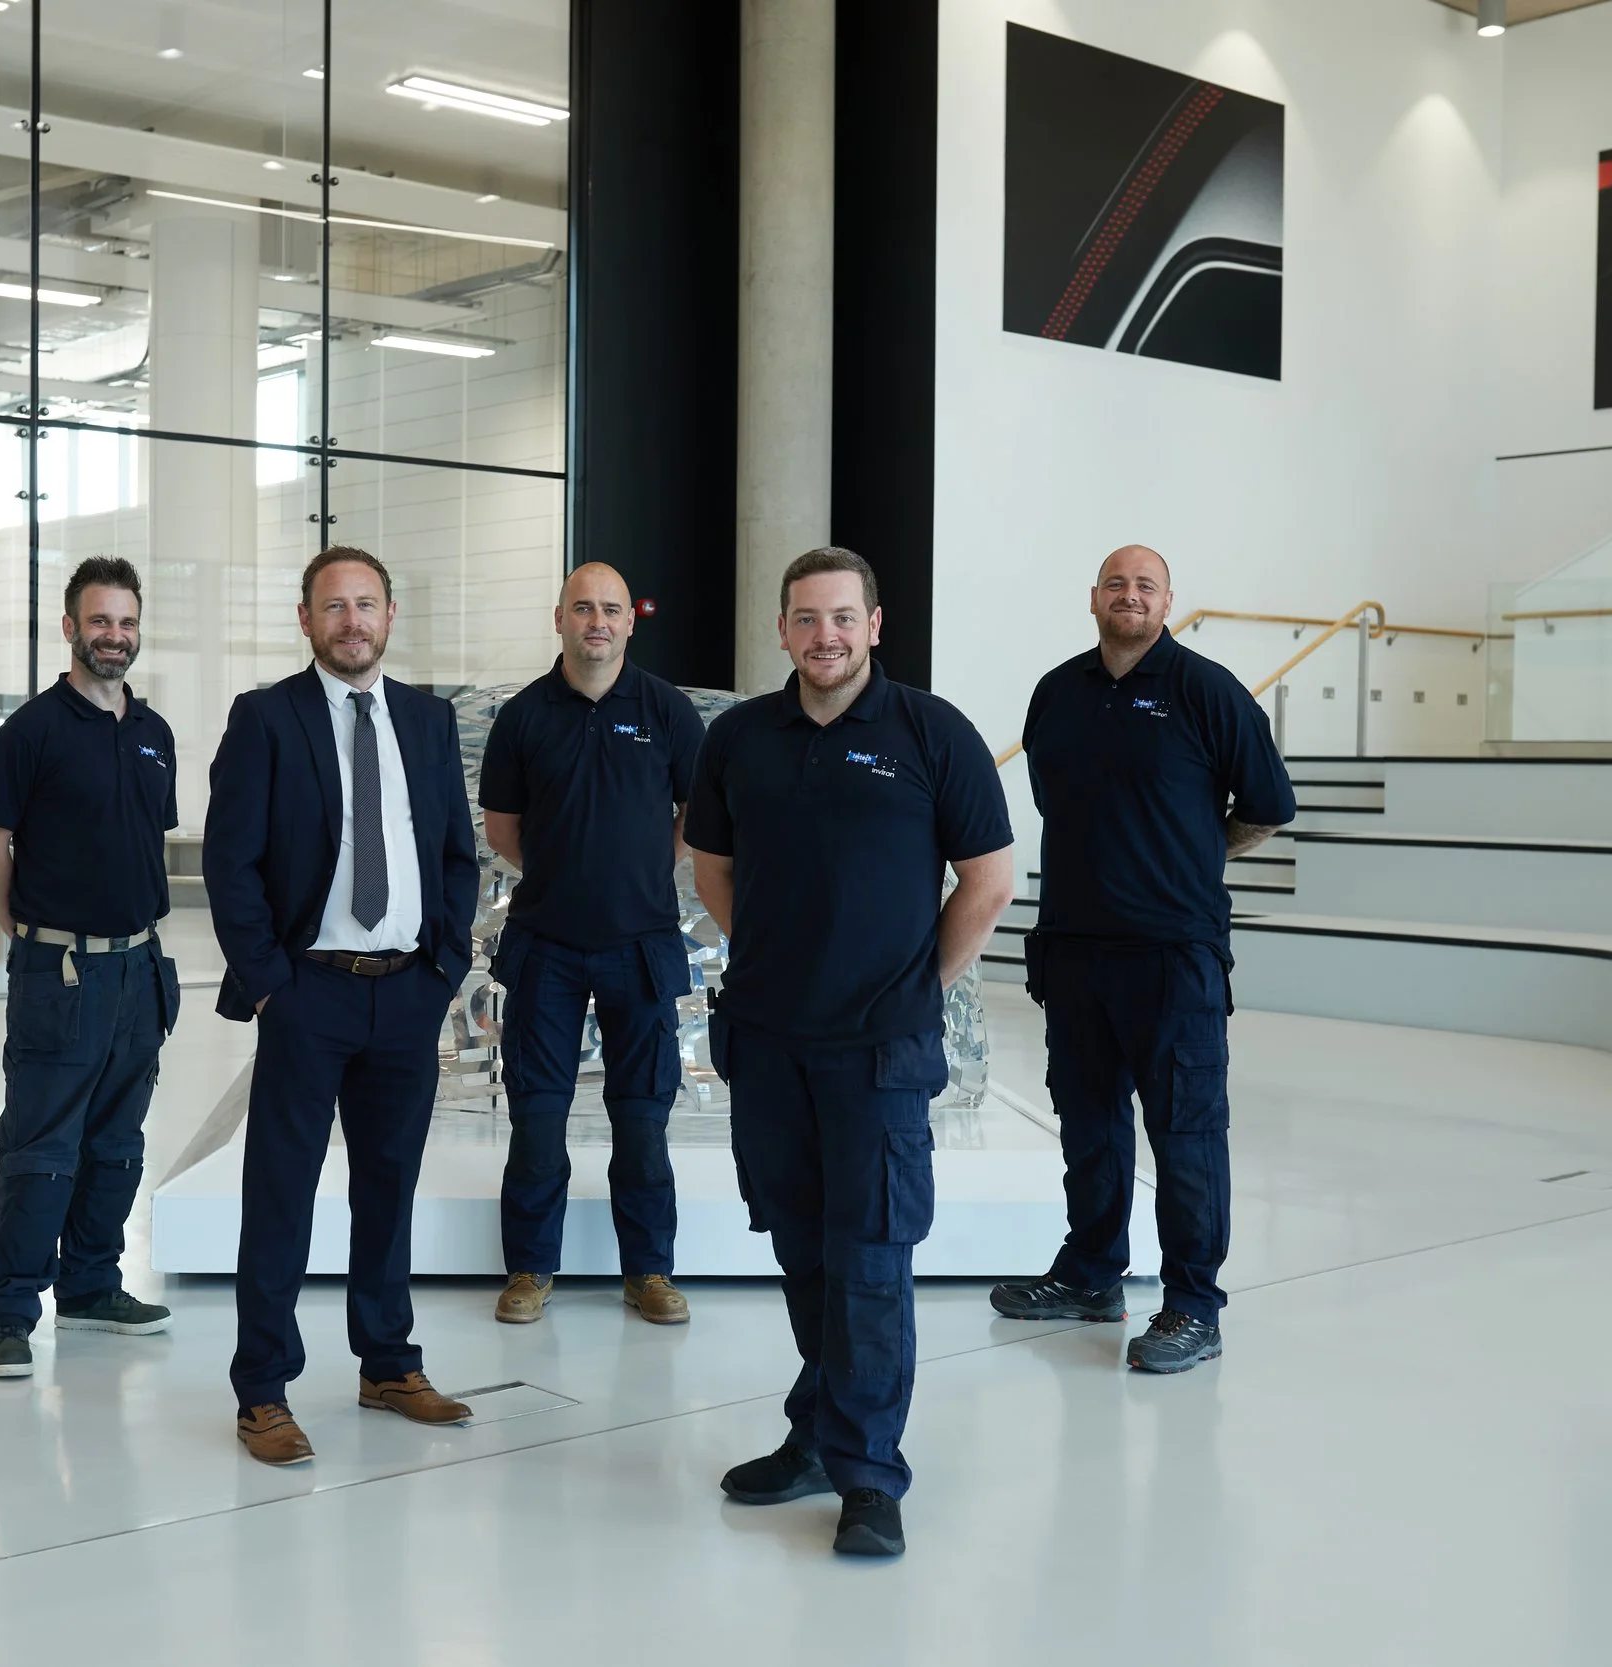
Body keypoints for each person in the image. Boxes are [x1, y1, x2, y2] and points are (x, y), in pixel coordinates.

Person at [685, 547, 1014, 1559]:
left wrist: (917, 989)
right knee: (799, 1246)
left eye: (841, 615)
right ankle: (820, 1433)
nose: (823, 634)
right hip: (769, 1043)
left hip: (878, 1051)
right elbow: (712, 871)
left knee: (869, 1257)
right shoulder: (741, 735)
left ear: (874, 623)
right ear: (781, 630)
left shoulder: (929, 730)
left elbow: (988, 879)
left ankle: (869, 1472)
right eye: (803, 617)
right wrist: (783, 964)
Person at [203, 545, 481, 1466]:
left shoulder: (427, 720)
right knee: (279, 1192)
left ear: (391, 616)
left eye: (366, 605)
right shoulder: (265, 719)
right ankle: (264, 1391)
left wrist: (443, 965)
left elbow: (451, 853)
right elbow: (229, 863)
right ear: (306, 617)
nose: (351, 621)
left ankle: (387, 1361)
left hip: (408, 991)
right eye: (334, 606)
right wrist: (273, 981)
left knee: (388, 1185)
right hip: (309, 990)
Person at [993, 544, 1295, 1374]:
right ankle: (1093, 1273)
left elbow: (1267, 805)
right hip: (1076, 949)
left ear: (1168, 602)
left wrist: (1195, 856)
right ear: (1093, 597)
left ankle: (1194, 1304)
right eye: (1116, 583)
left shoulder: (1207, 690)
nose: (1130, 595)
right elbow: (1056, 802)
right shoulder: (1056, 693)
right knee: (1089, 1127)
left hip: (1174, 955)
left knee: (1186, 1135)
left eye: (1146, 585)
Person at [0, 556, 184, 1380]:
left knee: (118, 1143)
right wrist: (23, 926)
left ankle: (92, 1285)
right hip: (57, 973)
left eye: (126, 622)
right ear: (70, 627)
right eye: (100, 621)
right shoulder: (31, 733)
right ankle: (10, 1312)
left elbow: (145, 841)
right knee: (40, 1147)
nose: (114, 636)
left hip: (138, 971)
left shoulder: (154, 733)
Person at [479, 562, 705, 1327]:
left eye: (610, 609)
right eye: (583, 608)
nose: (597, 621)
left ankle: (647, 1270)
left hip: (640, 944)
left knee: (641, 1117)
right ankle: (530, 1268)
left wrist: (639, 870)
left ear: (629, 623)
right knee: (536, 1116)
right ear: (560, 618)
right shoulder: (523, 718)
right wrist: (566, 872)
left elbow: (695, 821)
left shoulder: (668, 711)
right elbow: (503, 830)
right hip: (544, 944)